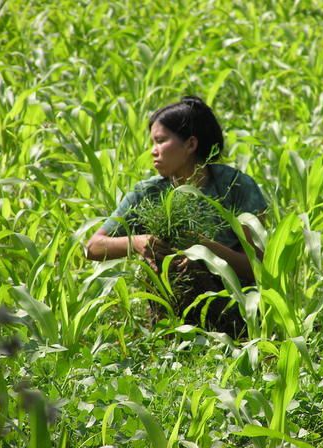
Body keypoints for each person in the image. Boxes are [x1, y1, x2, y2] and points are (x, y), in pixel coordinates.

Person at [86, 96, 267, 335]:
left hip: (236, 313)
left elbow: (257, 267)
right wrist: (138, 243)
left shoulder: (236, 187)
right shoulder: (148, 193)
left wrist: (204, 250)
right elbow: (92, 248)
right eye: (153, 142)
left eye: (160, 141)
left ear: (190, 144)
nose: (153, 151)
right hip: (168, 316)